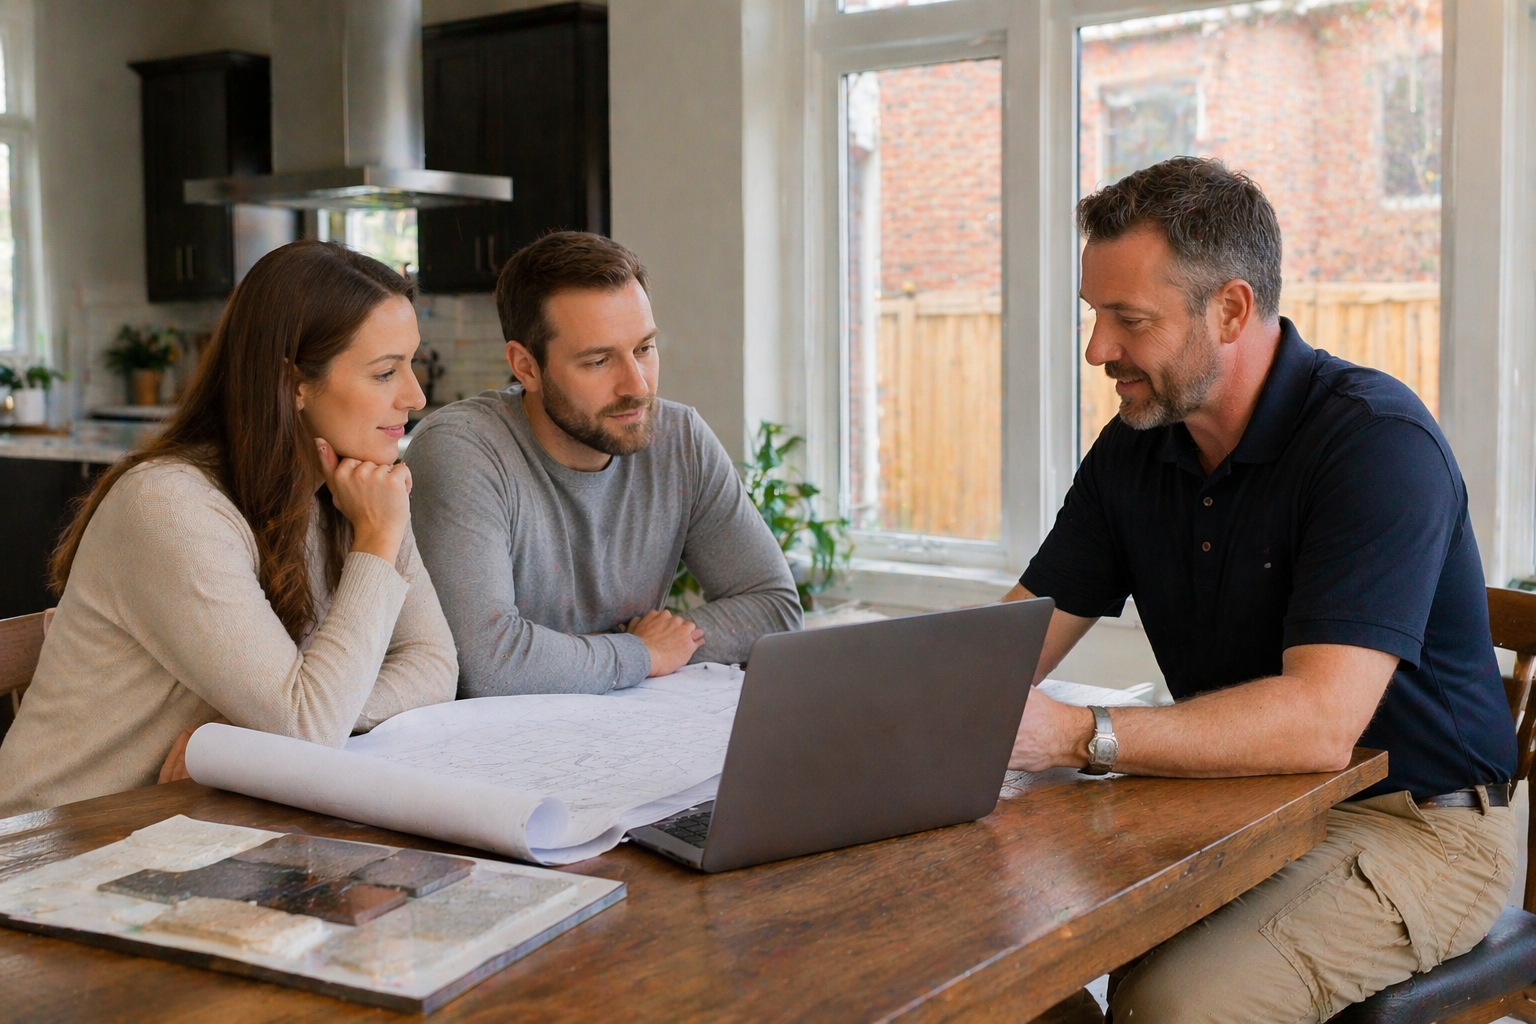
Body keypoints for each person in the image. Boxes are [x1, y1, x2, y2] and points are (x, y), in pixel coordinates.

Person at [1008, 158, 1517, 1023]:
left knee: (1172, 1008)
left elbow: (1321, 724)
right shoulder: (1137, 445)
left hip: (1420, 825)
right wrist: (910, 696)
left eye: (1130, 320)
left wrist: (1077, 733)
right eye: (1096, 317)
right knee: (1008, 956)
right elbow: (1010, 641)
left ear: (1233, 309)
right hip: (1238, 800)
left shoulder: (1375, 445)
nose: (1100, 351)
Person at [0, 241, 458, 816]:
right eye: (385, 371)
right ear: (294, 382)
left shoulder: (364, 489)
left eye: (410, 365)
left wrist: (244, 733)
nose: (415, 395)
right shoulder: (170, 505)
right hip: (56, 844)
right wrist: (376, 542)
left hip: (195, 825)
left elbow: (434, 666)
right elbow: (308, 724)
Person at [404, 231, 801, 696]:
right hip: (486, 754)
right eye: (598, 361)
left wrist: (608, 655)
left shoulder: (680, 439)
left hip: (619, 737)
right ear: (526, 366)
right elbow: (487, 665)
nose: (636, 385)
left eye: (644, 349)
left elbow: (774, 608)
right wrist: (641, 653)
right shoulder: (464, 451)